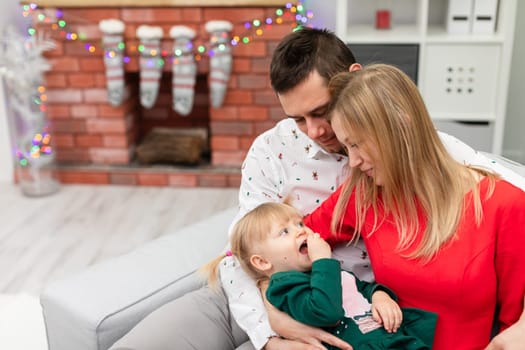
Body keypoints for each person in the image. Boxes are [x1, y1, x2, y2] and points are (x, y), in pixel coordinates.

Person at [110, 28, 525, 350]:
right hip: (299, 297)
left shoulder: (436, 164)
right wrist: (271, 323)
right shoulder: (305, 167)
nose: (316, 134)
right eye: (298, 120)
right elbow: (255, 246)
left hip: (368, 316)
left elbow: (488, 190)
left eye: (323, 113)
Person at [296, 64, 525, 349]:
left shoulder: (504, 204)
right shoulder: (365, 194)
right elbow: (292, 242)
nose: (352, 161)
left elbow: (515, 326)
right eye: (347, 148)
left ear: (401, 127)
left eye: (357, 145)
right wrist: (277, 315)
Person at [218, 201, 437, 349]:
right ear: (263, 261)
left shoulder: (326, 271)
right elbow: (325, 312)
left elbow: (361, 288)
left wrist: (380, 295)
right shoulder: (284, 286)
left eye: (300, 224)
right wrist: (324, 261)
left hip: (393, 339)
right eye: (285, 232)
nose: (301, 230)